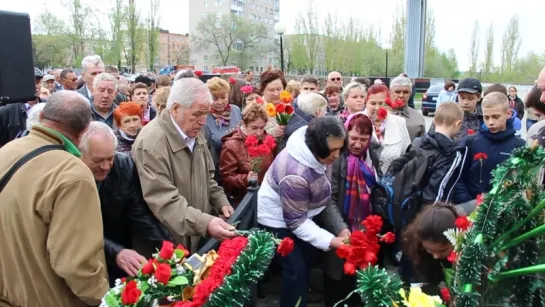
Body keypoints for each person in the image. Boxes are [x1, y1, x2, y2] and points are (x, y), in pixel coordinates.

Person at [0, 91, 109, 306]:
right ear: (85, 131)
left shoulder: (6, 151)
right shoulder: (73, 174)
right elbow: (75, 264)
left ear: (41, 118)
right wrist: (105, 298)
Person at [132, 77, 236, 252]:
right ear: (175, 109)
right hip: (166, 248)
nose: (203, 121)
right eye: (197, 114)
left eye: (206, 113)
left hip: (193, 239)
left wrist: (220, 201)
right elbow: (165, 202)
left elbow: (208, 177)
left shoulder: (195, 130)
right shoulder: (152, 143)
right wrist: (206, 223)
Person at [258, 116, 349, 307]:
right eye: (332, 150)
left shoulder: (319, 151)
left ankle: (302, 295)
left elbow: (323, 198)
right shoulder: (295, 174)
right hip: (277, 219)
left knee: (307, 258)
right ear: (316, 146)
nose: (337, 155)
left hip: (304, 211)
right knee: (295, 269)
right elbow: (296, 222)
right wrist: (332, 241)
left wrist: (340, 229)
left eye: (340, 148)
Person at [80, 122, 168, 286]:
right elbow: (77, 228)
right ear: (80, 153)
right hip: (84, 258)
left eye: (110, 158)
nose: (106, 166)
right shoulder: (69, 175)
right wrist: (115, 252)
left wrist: (167, 249)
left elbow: (140, 213)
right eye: (98, 160)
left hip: (119, 246)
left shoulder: (124, 165)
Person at [323, 112, 380, 307]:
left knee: (359, 283)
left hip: (364, 230)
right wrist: (341, 228)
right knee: (337, 283)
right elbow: (328, 199)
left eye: (363, 140)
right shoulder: (337, 158)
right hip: (340, 228)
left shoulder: (372, 159)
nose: (357, 144)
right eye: (353, 138)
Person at [461, 92, 525, 199]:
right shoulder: (470, 142)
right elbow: (460, 179)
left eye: (496, 117)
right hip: (472, 207)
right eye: (486, 117)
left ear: (508, 114)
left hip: (504, 209)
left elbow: (522, 182)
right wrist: (467, 203)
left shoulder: (519, 145)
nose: (490, 122)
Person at [219, 103, 274, 205]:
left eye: (262, 128)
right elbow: (226, 179)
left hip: (265, 197)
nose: (259, 133)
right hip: (243, 201)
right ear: (244, 124)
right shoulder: (231, 145)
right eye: (254, 128)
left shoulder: (267, 139)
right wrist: (245, 179)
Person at [402, 205, 458, 296]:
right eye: (429, 250)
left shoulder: (466, 243)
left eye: (442, 250)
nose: (436, 256)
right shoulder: (413, 247)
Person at [364, 84, 411, 174]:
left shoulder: (400, 122)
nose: (377, 108)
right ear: (366, 103)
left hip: (392, 182)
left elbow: (406, 156)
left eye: (381, 103)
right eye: (373, 103)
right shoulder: (357, 121)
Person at [0, 67, 45, 146]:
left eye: (38, 83)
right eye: (31, 83)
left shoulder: (49, 107)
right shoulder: (6, 111)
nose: (36, 87)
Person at [205, 77, 243, 161]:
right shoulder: (205, 116)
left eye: (223, 97)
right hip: (217, 165)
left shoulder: (235, 110)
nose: (220, 102)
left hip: (239, 163)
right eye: (215, 98)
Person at [389, 76, 425, 141]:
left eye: (405, 92)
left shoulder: (418, 118)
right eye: (397, 92)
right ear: (390, 92)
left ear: (410, 94)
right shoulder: (382, 114)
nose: (401, 95)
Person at [261, 68, 288, 138]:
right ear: (262, 90)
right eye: (271, 90)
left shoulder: (288, 107)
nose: (276, 94)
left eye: (279, 89)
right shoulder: (256, 109)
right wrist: (272, 132)